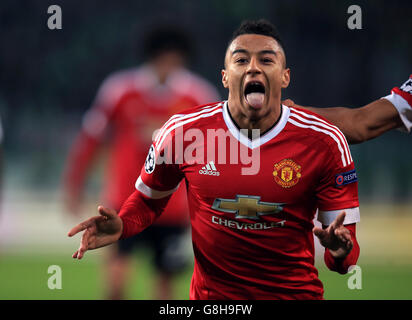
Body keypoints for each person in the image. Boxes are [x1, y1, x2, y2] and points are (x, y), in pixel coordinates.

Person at [68, 20, 412, 299]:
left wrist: (339, 250)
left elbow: (346, 259)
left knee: (163, 286)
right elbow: (146, 201)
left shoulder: (326, 142)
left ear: (285, 76)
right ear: (225, 77)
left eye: (266, 59)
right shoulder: (183, 131)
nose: (253, 68)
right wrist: (124, 223)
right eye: (241, 59)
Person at [62, 25, 220, 299]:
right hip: (125, 201)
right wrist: (74, 186)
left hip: (173, 207)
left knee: (164, 286)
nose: (169, 66)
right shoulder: (120, 91)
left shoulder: (198, 96)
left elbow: (218, 153)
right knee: (117, 280)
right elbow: (91, 140)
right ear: (152, 57)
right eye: (164, 59)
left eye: (175, 60)